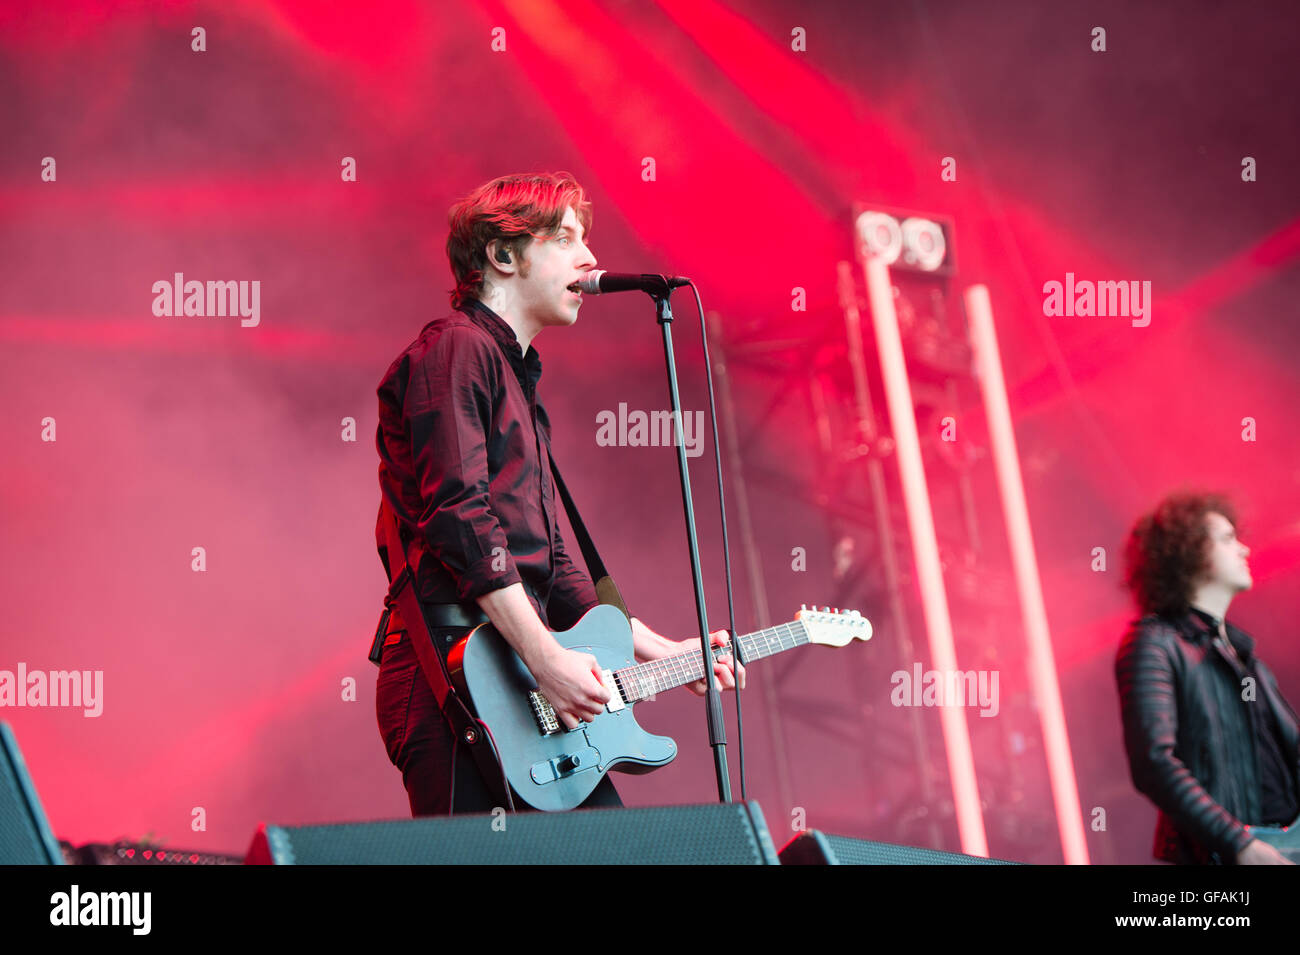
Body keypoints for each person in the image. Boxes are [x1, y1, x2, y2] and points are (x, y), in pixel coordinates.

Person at [373, 172, 744, 816]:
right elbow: (461, 520)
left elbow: (554, 561)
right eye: (567, 238)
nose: (591, 258)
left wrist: (661, 648)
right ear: (504, 255)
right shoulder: (457, 349)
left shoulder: (518, 377)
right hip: (455, 669)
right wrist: (546, 657)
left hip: (512, 672)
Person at [1116, 491, 1298, 864]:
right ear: (1189, 552)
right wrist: (1239, 844)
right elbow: (1154, 763)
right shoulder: (1154, 643)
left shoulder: (1244, 657)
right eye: (1228, 539)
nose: (1245, 550)